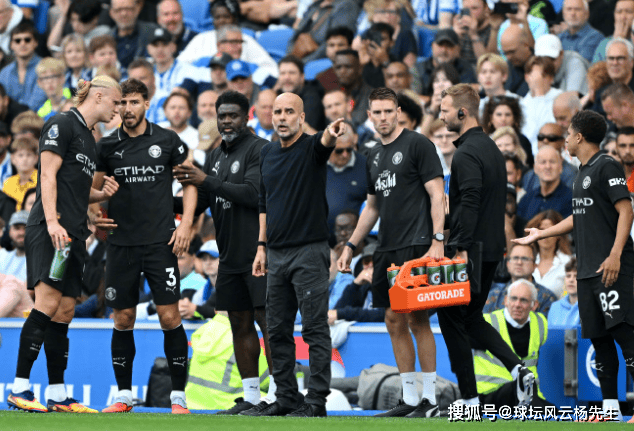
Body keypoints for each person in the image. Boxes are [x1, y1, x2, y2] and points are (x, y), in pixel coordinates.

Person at [7, 75, 121, 413]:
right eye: (115, 102)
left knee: (65, 310)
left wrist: (98, 195)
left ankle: (58, 395)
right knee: (47, 303)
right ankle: (20, 388)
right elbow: (47, 175)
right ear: (98, 96)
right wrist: (53, 221)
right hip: (52, 229)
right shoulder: (62, 123)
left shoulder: (89, 137)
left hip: (74, 233)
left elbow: (75, 187)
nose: (117, 110)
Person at [515, 109, 634, 422]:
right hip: (587, 272)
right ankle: (609, 411)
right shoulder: (582, 172)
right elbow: (577, 217)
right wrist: (542, 233)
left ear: (579, 137)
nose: (565, 140)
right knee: (600, 341)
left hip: (611, 269)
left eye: (567, 134)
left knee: (627, 338)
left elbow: (626, 210)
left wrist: (615, 254)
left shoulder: (607, 165)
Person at [337, 87, 445, 418]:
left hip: (417, 243)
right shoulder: (372, 155)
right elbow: (372, 207)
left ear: (398, 112)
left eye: (388, 111)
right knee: (392, 319)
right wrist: (351, 245)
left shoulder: (418, 144)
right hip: (385, 246)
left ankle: (430, 398)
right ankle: (409, 398)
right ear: (369, 116)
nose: (383, 117)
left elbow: (437, 194)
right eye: (377, 112)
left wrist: (438, 240)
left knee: (417, 318)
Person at [94, 78, 196, 414]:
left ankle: (178, 397)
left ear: (147, 103)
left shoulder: (166, 140)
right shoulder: (107, 145)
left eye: (134, 102)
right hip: (121, 244)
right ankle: (124, 396)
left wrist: (187, 225)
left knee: (169, 316)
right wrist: (94, 214)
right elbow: (93, 190)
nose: (127, 109)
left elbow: (190, 183)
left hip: (159, 243)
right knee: (123, 318)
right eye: (122, 103)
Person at [172, 90, 275, 414]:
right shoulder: (216, 155)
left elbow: (253, 193)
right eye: (222, 116)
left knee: (267, 323)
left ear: (247, 116)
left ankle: (279, 394)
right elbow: (201, 201)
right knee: (239, 324)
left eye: (233, 115)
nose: (227, 121)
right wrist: (156, 200)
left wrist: (205, 179)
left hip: (258, 254)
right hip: (228, 257)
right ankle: (251, 397)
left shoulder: (260, 149)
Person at [438, 83, 535, 408]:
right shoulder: (491, 147)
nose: (441, 116)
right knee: (470, 318)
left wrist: (460, 246)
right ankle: (517, 368)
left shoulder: (466, 152)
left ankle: (469, 399)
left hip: (472, 249)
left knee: (451, 318)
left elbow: (470, 200)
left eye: (445, 110)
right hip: (491, 249)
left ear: (462, 112)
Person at [249, 92, 346, 417]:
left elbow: (325, 142)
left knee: (314, 329)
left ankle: (316, 401)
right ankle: (287, 397)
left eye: (289, 111)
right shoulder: (267, 152)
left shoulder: (311, 147)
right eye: (277, 111)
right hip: (275, 254)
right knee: (276, 329)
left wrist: (331, 133)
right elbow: (264, 201)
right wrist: (261, 246)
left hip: (309, 252)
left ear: (302, 118)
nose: (282, 117)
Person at [475, 279, 553, 409]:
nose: (517, 304)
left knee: (555, 414)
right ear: (505, 300)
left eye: (524, 300)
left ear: (534, 305)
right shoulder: (485, 323)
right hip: (490, 395)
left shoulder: (541, 323)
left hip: (526, 395)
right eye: (513, 299)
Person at [484, 243, 559, 315]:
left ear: (534, 266)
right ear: (508, 264)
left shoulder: (547, 298)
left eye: (525, 259)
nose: (519, 262)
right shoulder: (493, 295)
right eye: (515, 258)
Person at [326, 126, 367, 234]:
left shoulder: (366, 166)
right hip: (318, 238)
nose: (345, 155)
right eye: (339, 151)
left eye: (349, 149)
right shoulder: (316, 164)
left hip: (352, 239)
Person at [0, 20, 47, 112]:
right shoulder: (4, 73)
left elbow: (38, 101)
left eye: (27, 40)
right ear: (11, 45)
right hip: (11, 118)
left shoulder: (47, 67)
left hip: (41, 118)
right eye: (17, 41)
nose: (22, 43)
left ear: (35, 43)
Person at [517, 145, 573, 221]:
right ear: (535, 168)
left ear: (560, 167)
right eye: (543, 162)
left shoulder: (572, 199)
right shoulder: (526, 200)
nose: (548, 166)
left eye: (552, 162)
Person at [526, 210, 573, 297]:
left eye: (550, 230)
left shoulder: (569, 262)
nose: (545, 235)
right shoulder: (526, 260)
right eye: (541, 230)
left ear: (559, 234)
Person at [108, 0, 159, 70]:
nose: (124, 14)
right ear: (111, 13)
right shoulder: (105, 39)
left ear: (138, 9)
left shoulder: (153, 33)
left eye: (128, 9)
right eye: (118, 10)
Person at [547, 257, 580, 327]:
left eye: (576, 276)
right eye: (568, 276)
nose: (571, 280)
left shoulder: (590, 306)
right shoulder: (555, 307)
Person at [0, 210, 28, 281]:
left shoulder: (41, 261)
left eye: (26, 228)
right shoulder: (2, 256)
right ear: (9, 231)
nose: (22, 233)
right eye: (17, 228)